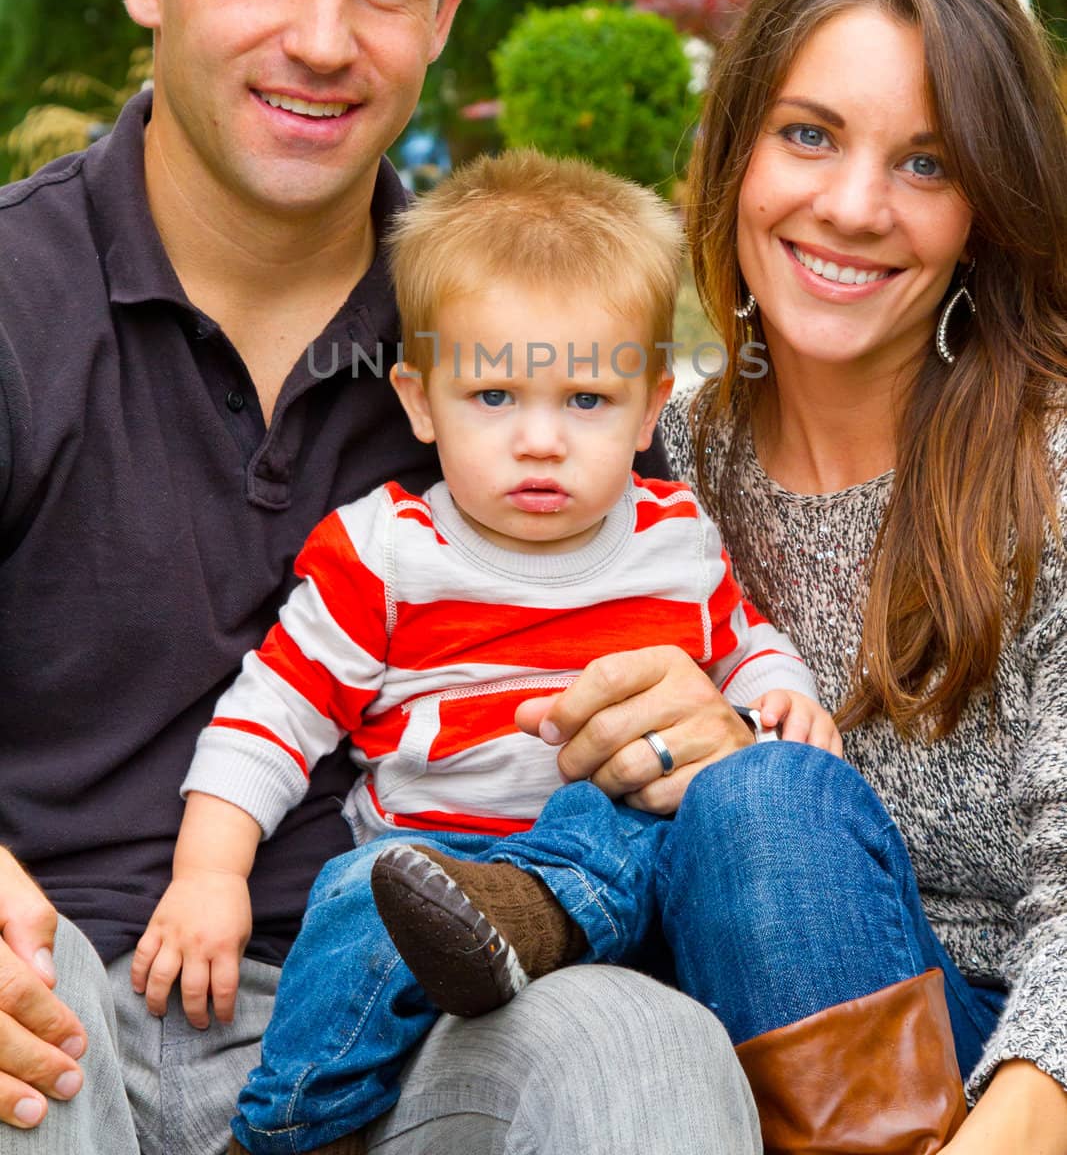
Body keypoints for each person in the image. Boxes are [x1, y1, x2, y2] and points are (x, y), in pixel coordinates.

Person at [0, 0, 764, 1155]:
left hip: (415, 1013)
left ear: (446, 7)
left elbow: (674, 638)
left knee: (640, 1047)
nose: (320, 38)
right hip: (61, 993)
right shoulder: (14, 301)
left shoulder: (532, 348)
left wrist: (701, 736)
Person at [128, 148, 836, 1154]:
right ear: (420, 402)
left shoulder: (672, 541)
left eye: (583, 402)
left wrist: (782, 699)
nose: (538, 440)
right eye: (494, 397)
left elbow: (744, 647)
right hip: (430, 874)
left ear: (645, 409)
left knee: (634, 809)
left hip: (615, 906)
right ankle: (291, 1124)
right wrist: (208, 872)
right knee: (352, 899)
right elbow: (269, 714)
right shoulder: (387, 554)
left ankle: (537, 906)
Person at [642, 0, 1067, 1152]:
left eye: (926, 165)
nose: (850, 207)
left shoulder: (1045, 470)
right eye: (808, 134)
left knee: (763, 801)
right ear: (734, 153)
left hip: (1004, 1069)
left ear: (986, 210)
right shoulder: (650, 463)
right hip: (709, 1060)